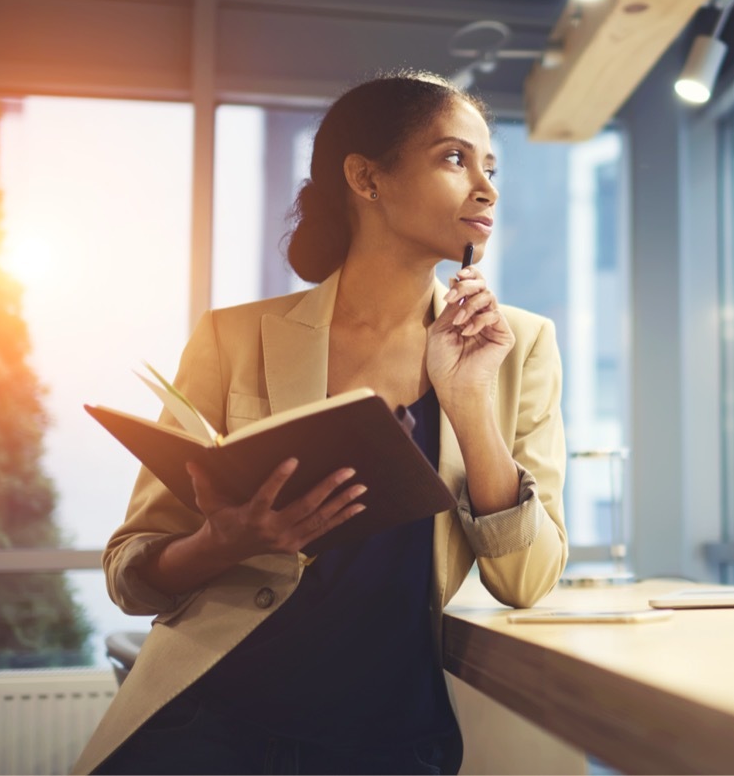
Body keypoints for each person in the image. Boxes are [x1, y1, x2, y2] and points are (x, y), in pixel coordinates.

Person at [72, 71, 568, 775]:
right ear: (366, 178)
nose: (486, 188)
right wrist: (222, 543)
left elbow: (527, 581)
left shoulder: (519, 345)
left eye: (490, 167)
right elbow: (131, 571)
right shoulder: (233, 339)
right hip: (212, 727)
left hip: (390, 744)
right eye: (455, 159)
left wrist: (469, 404)